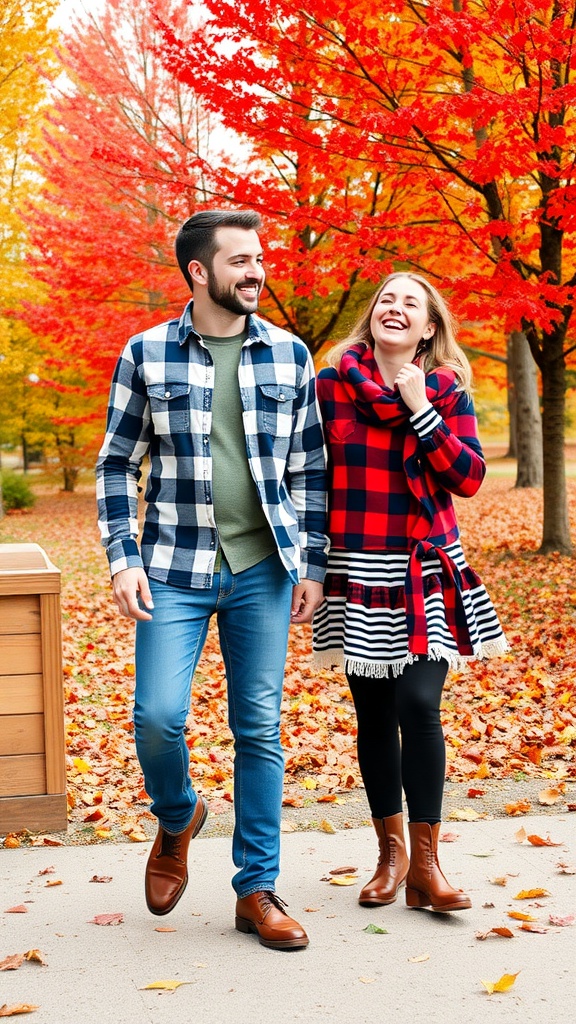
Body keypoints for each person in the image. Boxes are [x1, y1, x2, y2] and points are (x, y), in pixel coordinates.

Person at [96, 209, 328, 950]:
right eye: (240, 261)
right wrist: (122, 558)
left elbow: (310, 470)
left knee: (258, 728)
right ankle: (178, 815)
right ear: (199, 271)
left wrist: (311, 564)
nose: (256, 272)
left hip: (262, 570)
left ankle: (256, 888)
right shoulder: (146, 353)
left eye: (260, 259)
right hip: (172, 568)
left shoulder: (291, 355)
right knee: (158, 716)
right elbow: (113, 462)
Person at [312, 271, 508, 912]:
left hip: (426, 571)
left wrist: (422, 410)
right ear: (371, 318)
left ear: (429, 328)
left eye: (411, 304)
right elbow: (311, 480)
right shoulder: (331, 387)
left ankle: (427, 863)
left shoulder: (448, 389)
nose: (395, 309)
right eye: (385, 300)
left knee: (420, 705)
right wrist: (311, 568)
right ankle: (390, 855)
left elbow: (470, 477)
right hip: (357, 567)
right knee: (373, 716)